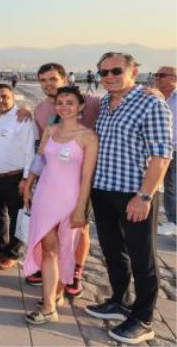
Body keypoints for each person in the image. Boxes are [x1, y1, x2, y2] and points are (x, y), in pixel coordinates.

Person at [85, 52, 172, 344]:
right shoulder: (105, 103)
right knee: (112, 250)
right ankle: (119, 300)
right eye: (103, 72)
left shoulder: (151, 103)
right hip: (103, 190)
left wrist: (144, 196)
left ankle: (143, 318)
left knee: (142, 257)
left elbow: (161, 156)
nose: (109, 77)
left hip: (135, 193)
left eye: (116, 71)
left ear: (133, 71)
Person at [22, 86, 97, 325]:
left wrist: (80, 208)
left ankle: (57, 293)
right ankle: (48, 307)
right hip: (45, 197)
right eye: (60, 103)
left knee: (66, 248)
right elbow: (39, 160)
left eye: (70, 103)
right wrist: (28, 184)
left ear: (81, 106)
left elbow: (87, 177)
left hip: (71, 200)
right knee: (49, 249)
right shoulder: (50, 130)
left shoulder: (88, 137)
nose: (64, 107)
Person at [0, 84, 36, 270]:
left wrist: (26, 179)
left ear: (13, 98)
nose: (0, 100)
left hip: (14, 178)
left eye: (4, 96)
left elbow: (31, 151)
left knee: (17, 216)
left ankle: (13, 253)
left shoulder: (23, 119)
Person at [154, 66, 176, 237]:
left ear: (174, 78)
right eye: (156, 75)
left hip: (174, 149)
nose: (157, 78)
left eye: (161, 75)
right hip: (156, 150)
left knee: (171, 186)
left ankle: (173, 222)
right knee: (154, 184)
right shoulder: (154, 97)